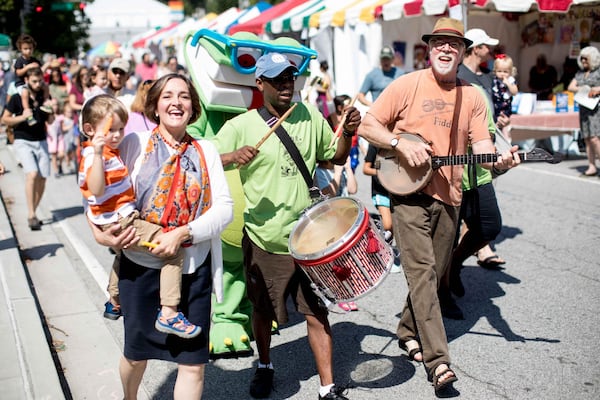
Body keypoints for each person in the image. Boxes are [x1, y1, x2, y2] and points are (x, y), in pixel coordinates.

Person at [358, 18, 520, 394]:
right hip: (407, 196)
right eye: (439, 44)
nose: (446, 49)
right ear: (429, 50)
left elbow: (482, 148)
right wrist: (399, 145)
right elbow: (369, 125)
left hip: (450, 197)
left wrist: (499, 160)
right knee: (423, 274)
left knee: (431, 273)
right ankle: (438, 361)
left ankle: (406, 331)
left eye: (454, 45)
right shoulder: (406, 85)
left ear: (463, 53)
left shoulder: (472, 97)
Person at [212, 52, 361, 400]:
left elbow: (334, 156)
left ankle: (327, 388)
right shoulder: (241, 125)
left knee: (316, 312)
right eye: (277, 78)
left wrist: (349, 133)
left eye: (290, 77)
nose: (286, 83)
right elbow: (206, 160)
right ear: (259, 83)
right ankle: (264, 366)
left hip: (309, 237)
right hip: (263, 238)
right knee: (262, 311)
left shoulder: (309, 115)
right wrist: (233, 157)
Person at [87, 74, 233, 399]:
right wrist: (102, 237)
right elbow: (98, 195)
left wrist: (183, 233)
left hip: (193, 268)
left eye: (183, 96)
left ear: (193, 106)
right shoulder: (132, 143)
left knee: (192, 363)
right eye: (167, 96)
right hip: (140, 267)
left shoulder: (206, 150)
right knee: (136, 355)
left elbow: (225, 209)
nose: (176, 103)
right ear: (154, 104)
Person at [80, 93, 203, 339]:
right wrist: (96, 151)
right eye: (110, 130)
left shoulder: (110, 152)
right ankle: (169, 311)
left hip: (119, 218)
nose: (117, 135)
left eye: (120, 129)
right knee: (173, 249)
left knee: (126, 251)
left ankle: (114, 299)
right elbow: (95, 189)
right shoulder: (95, 155)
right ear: (89, 130)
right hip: (122, 219)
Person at [456, 28, 509, 271]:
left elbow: (496, 105)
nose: (489, 50)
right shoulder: (458, 74)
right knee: (468, 204)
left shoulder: (487, 76)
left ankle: (474, 247)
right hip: (460, 159)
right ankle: (473, 250)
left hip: (487, 144)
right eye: (486, 46)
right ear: (475, 48)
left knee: (486, 216)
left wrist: (501, 119)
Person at [1, 67, 55, 230]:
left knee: (43, 177)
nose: (38, 84)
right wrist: (22, 117)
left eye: (40, 81)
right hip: (23, 140)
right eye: (34, 81)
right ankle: (31, 214)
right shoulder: (17, 98)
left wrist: (51, 109)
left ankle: (34, 210)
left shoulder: (43, 96)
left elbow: (50, 121)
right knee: (32, 174)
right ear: (26, 81)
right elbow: (5, 119)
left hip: (41, 140)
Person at [314, 157, 359, 312]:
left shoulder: (341, 170)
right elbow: (329, 194)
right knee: (334, 262)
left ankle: (348, 292)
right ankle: (338, 294)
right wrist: (338, 174)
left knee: (347, 260)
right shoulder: (319, 172)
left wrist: (348, 169)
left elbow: (353, 190)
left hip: (344, 220)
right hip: (329, 222)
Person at [568, 46, 600, 177]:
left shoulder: (598, 71)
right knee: (587, 138)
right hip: (584, 108)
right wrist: (585, 88)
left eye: (586, 59)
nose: (584, 61)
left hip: (596, 108)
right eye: (582, 59)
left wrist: (597, 89)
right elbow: (571, 86)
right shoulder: (580, 73)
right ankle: (592, 166)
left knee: (595, 138)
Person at [13, 34, 51, 125]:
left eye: (30, 48)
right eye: (25, 49)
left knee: (46, 86)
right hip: (22, 84)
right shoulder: (20, 60)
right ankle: (27, 112)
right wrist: (27, 67)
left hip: (35, 83)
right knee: (25, 93)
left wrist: (46, 65)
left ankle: (46, 103)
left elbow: (40, 72)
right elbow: (18, 72)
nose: (28, 51)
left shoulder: (35, 60)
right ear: (20, 49)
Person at [492, 54, 519, 121]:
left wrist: (508, 84)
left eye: (505, 71)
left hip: (506, 107)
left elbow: (515, 92)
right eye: (499, 71)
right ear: (495, 71)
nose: (502, 74)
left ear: (510, 72)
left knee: (505, 124)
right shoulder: (494, 79)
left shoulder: (510, 80)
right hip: (495, 106)